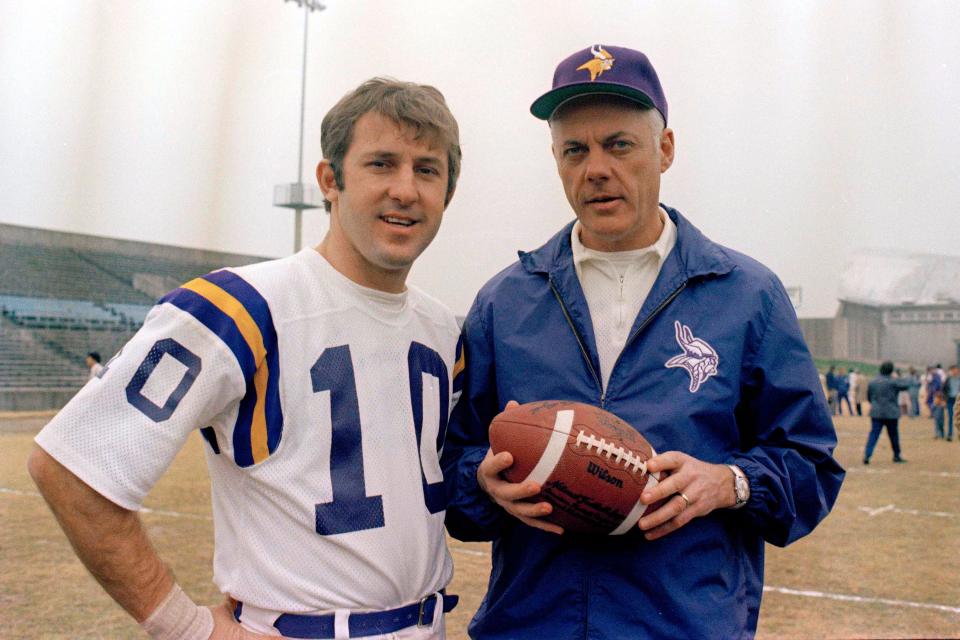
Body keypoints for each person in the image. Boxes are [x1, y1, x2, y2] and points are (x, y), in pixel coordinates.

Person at [28, 78, 464, 639]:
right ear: (330, 180)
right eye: (381, 164)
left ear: (447, 190)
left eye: (426, 169)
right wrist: (186, 626)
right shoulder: (240, 306)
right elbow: (70, 465)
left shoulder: (444, 331)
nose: (405, 189)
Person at [442, 45, 844, 639]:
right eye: (574, 151)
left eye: (619, 145)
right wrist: (483, 480)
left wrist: (729, 483)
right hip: (530, 624)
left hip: (682, 625)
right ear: (555, 161)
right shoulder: (505, 302)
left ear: (666, 149)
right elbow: (453, 472)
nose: (595, 169)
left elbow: (811, 466)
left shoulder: (747, 295)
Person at [863, 361, 909, 464]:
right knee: (893, 435)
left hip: (876, 412)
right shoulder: (893, 381)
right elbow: (906, 385)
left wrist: (875, 404)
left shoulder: (873, 381)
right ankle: (896, 455)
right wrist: (898, 376)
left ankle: (867, 455)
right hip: (891, 412)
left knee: (874, 434)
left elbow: (869, 396)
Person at [943, 364, 960, 441]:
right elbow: (943, 389)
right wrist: (944, 399)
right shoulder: (948, 379)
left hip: (958, 400)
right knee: (951, 417)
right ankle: (950, 434)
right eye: (952, 370)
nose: (954, 371)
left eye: (955, 369)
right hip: (950, 399)